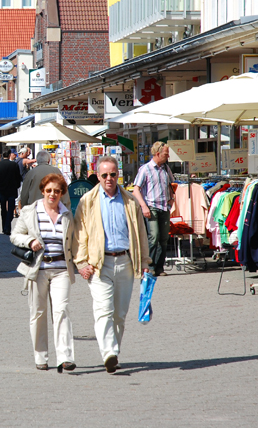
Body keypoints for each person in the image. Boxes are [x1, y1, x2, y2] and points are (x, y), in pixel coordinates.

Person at [73, 155, 150, 375]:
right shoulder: (88, 201)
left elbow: (140, 233)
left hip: (125, 261)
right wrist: (80, 262)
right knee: (103, 310)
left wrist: (144, 261)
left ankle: (113, 351)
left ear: (118, 175)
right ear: (97, 176)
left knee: (120, 314)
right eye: (104, 174)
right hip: (99, 263)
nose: (109, 178)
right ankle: (109, 353)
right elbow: (78, 234)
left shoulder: (129, 201)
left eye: (113, 174)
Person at [11, 173, 77, 372]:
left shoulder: (67, 214)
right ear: (43, 191)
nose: (52, 194)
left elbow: (73, 241)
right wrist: (30, 242)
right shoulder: (31, 211)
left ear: (62, 193)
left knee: (61, 310)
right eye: (49, 190)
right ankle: (41, 356)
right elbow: (15, 236)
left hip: (61, 270)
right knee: (38, 313)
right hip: (38, 269)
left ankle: (65, 357)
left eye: (57, 191)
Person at [132, 141, 174, 277]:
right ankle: (148, 266)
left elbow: (171, 184)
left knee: (163, 238)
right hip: (152, 207)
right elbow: (136, 190)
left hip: (164, 207)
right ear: (157, 154)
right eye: (166, 154)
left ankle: (159, 267)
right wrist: (143, 206)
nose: (168, 157)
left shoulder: (166, 169)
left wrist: (172, 196)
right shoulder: (145, 169)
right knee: (153, 236)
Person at [0, 152, 22, 235]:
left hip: (1, 190)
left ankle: (4, 227)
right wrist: (17, 186)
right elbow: (18, 177)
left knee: (3, 209)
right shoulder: (14, 165)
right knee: (11, 208)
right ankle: (7, 227)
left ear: (2, 156)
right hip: (12, 190)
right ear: (9, 155)